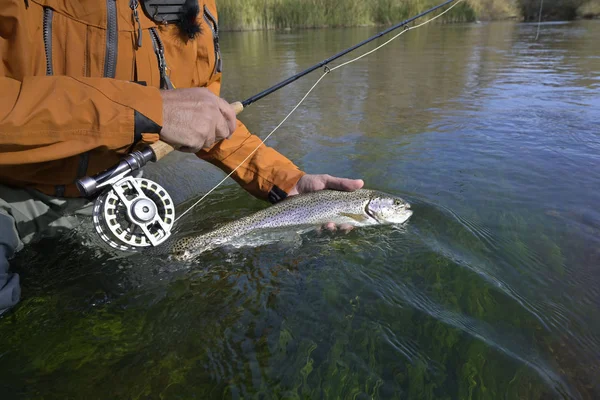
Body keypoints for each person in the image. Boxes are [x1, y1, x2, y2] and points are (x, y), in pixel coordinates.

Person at [0, 0, 363, 315]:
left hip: (112, 193)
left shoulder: (200, 10)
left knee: (146, 305)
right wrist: (143, 110)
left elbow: (207, 122)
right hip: (9, 180)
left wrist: (286, 180)